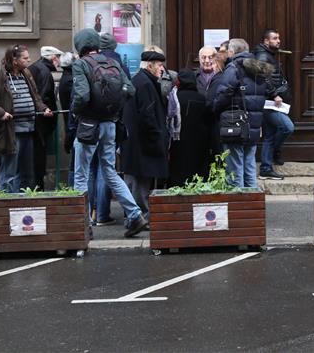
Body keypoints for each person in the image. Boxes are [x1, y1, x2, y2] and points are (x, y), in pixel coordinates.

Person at [71, 28, 146, 238]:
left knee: (81, 175)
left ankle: (83, 225)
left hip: (88, 126)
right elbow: (130, 90)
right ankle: (135, 215)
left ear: (80, 47)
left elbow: (82, 96)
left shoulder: (81, 64)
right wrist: (112, 108)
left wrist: (77, 113)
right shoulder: (112, 62)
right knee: (110, 172)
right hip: (110, 125)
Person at [0, 45, 53, 193]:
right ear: (14, 60)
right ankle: (7, 202)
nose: (29, 60)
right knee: (9, 171)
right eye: (25, 58)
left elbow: (35, 97)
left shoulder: (26, 73)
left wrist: (43, 108)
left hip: (28, 129)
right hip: (10, 132)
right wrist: (0, 112)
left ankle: (23, 204)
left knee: (26, 173)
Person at [211, 38, 272, 188]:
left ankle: (239, 205)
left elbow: (224, 93)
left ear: (232, 52)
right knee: (249, 167)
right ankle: (253, 204)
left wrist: (215, 107)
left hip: (236, 124)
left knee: (234, 170)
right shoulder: (259, 68)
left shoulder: (233, 67)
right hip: (254, 125)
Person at [121, 50, 169, 223]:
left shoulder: (140, 80)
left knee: (136, 179)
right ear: (150, 66)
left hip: (136, 142)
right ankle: (140, 217)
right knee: (140, 181)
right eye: (159, 65)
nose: (162, 69)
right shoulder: (146, 84)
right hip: (143, 143)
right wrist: (157, 137)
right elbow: (148, 115)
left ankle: (135, 216)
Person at [254, 29, 294, 179]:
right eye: (275, 38)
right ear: (266, 41)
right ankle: (274, 152)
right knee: (288, 127)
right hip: (269, 103)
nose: (278, 41)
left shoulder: (268, 55)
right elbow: (262, 77)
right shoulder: (263, 56)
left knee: (270, 135)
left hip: (270, 103)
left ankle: (265, 168)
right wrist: (274, 94)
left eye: (279, 38)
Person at [168, 68, 213, 186]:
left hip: (178, 142)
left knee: (179, 172)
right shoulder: (201, 98)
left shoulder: (174, 98)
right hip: (199, 142)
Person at [28, 46, 63, 189]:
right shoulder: (44, 72)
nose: (60, 62)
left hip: (36, 123)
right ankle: (38, 187)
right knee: (38, 158)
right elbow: (41, 97)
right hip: (41, 123)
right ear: (53, 58)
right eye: (58, 58)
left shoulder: (36, 68)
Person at [58, 51, 76, 187]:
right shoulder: (70, 80)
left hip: (71, 123)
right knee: (75, 164)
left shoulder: (65, 78)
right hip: (73, 124)